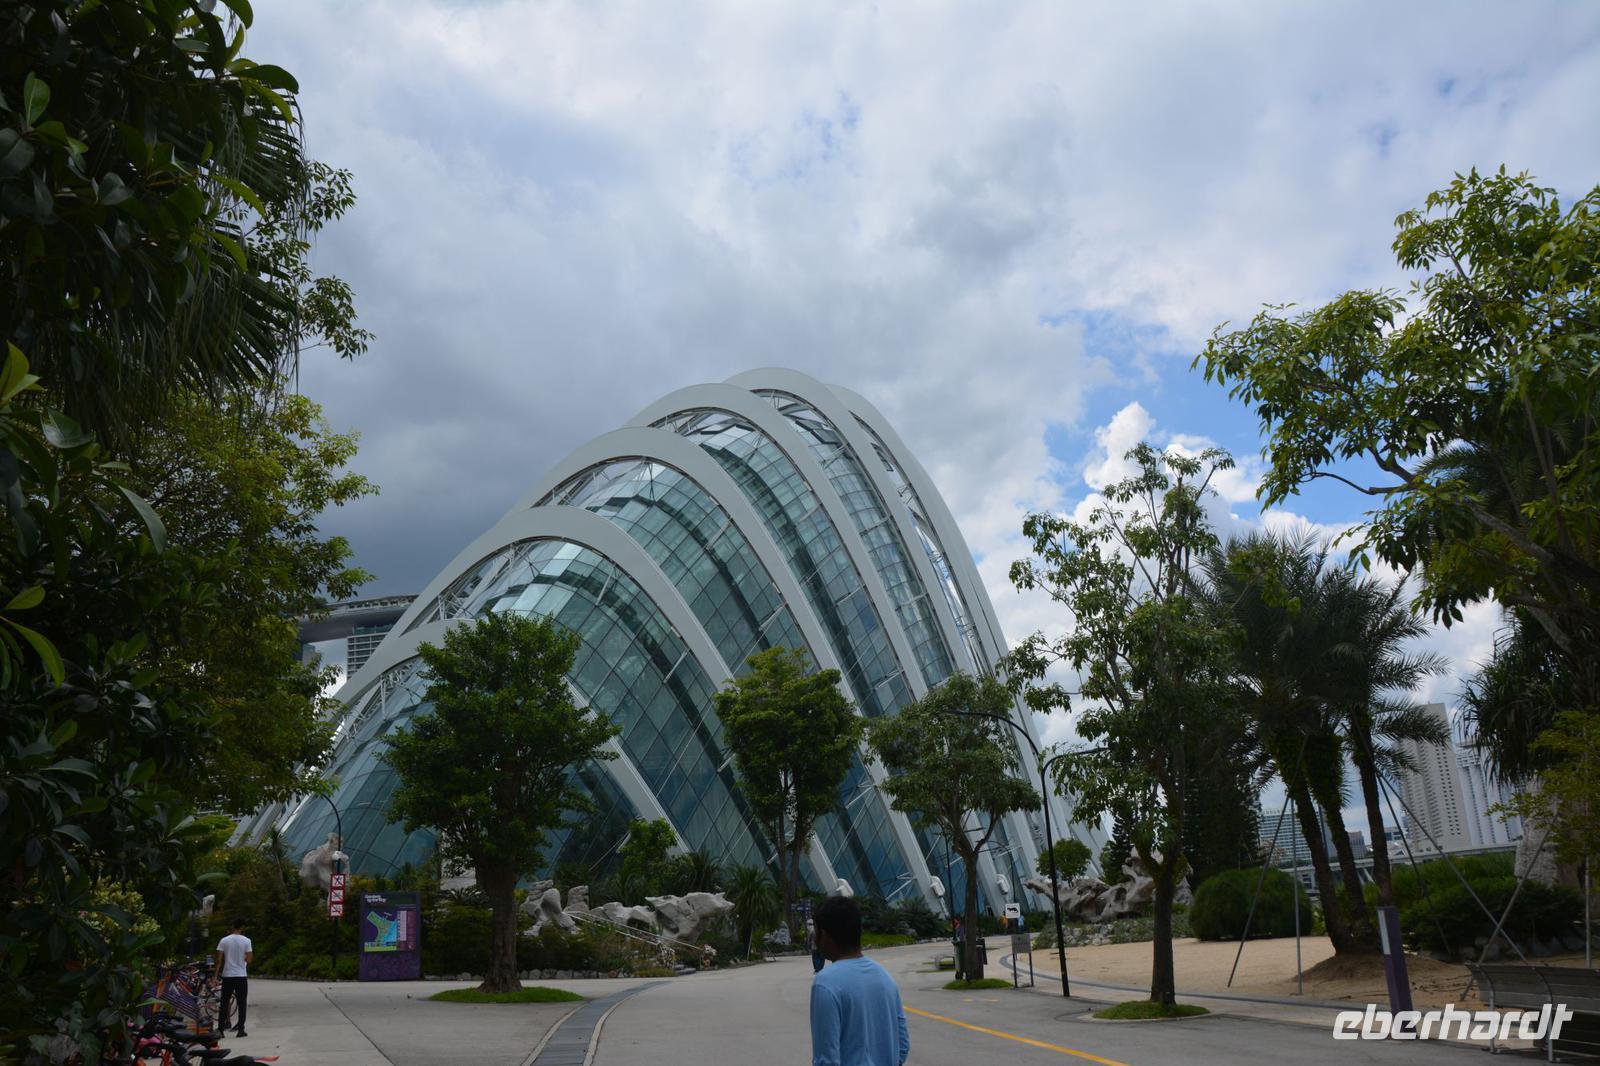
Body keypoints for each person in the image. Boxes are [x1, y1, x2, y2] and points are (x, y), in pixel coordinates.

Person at [810, 895, 909, 1066]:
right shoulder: (885, 977)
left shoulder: (826, 984)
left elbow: (827, 1060)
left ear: (824, 936)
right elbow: (903, 1045)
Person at [214, 919, 253, 1037]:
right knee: (242, 1003)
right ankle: (241, 1029)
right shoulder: (247, 941)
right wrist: (243, 958)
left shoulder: (224, 940)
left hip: (228, 975)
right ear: (242, 927)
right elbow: (249, 959)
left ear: (232, 926)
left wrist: (215, 976)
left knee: (224, 1002)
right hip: (241, 975)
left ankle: (221, 1030)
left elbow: (219, 960)